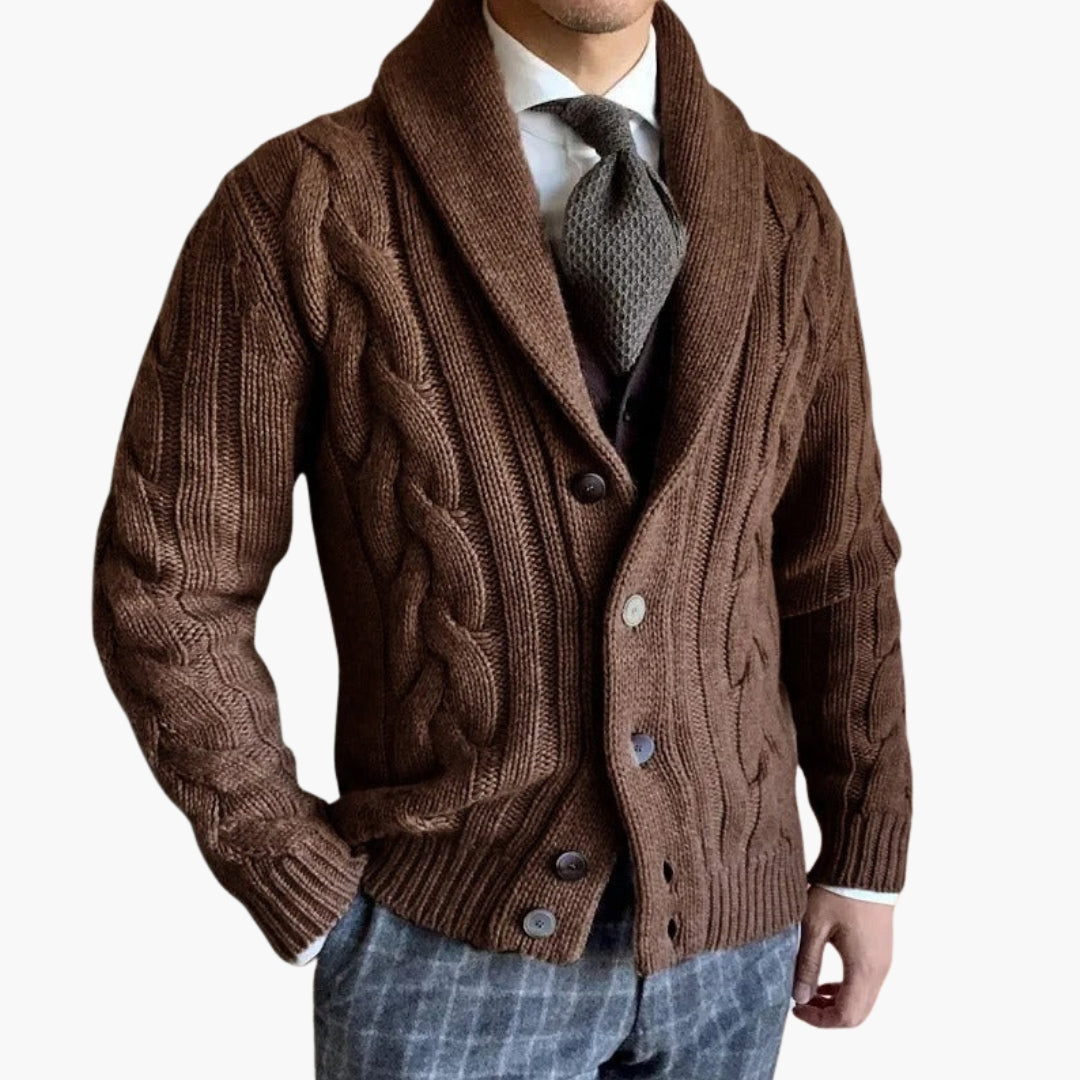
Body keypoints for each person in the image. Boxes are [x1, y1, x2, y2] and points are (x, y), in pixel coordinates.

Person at [91, 0, 913, 1075]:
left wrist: (862, 849)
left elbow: (836, 560)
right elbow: (169, 580)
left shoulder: (787, 212)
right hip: (441, 952)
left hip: (734, 949)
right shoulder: (301, 204)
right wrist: (289, 868)